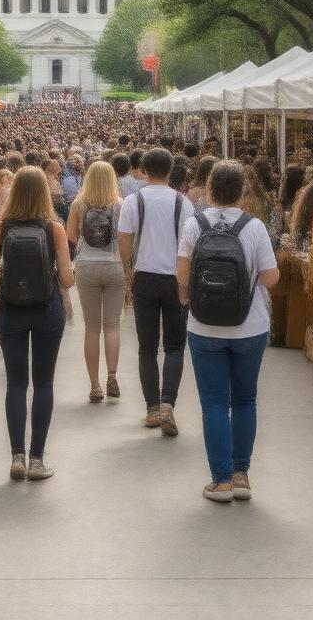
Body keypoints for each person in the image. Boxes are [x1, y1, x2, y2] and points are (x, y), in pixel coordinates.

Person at [176, 160, 279, 503]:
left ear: (209, 189)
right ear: (242, 191)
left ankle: (219, 481)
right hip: (250, 325)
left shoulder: (195, 224)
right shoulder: (255, 227)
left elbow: (181, 274)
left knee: (214, 402)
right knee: (245, 399)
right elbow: (271, 278)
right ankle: (241, 475)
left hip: (204, 326)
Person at [0, 167, 75, 480]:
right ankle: (37, 459)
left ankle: (16, 457)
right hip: (47, 307)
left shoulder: (0, 227)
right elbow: (65, 278)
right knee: (44, 383)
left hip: (10, 309)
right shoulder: (54, 228)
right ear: (43, 193)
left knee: (15, 382)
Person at [118, 147, 195, 435]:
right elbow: (190, 247)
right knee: (175, 345)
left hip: (145, 278)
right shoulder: (183, 203)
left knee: (147, 346)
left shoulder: (132, 201)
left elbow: (124, 250)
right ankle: (168, 404)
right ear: (171, 169)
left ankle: (151, 407)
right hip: (176, 277)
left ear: (143, 170)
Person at [67, 161, 125, 403]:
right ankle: (112, 374)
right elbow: (126, 236)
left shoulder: (79, 204)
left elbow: (71, 235)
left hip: (87, 267)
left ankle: (95, 386)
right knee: (112, 325)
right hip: (114, 265)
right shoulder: (120, 205)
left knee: (92, 328)